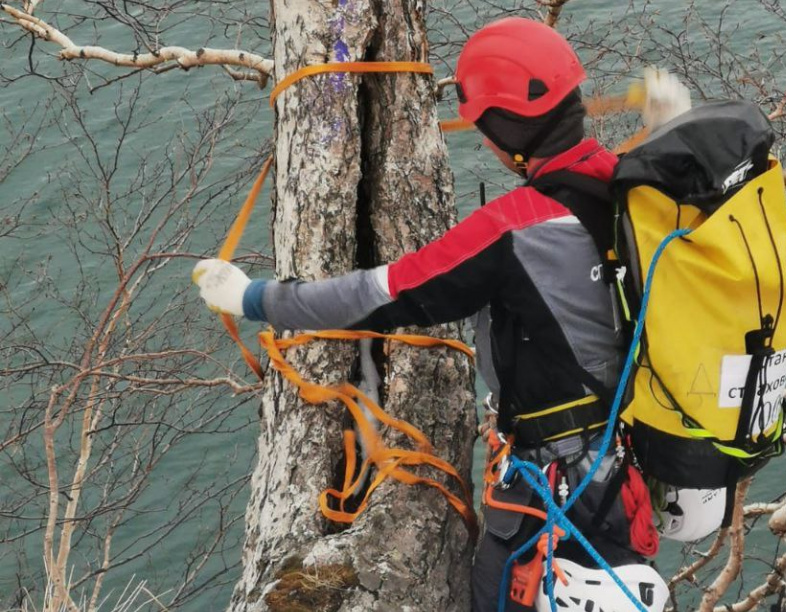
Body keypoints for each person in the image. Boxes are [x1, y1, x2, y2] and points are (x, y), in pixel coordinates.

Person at [193, 17, 690, 612]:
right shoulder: (629, 187)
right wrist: (674, 131)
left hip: (555, 490)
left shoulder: (515, 227)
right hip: (624, 465)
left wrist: (254, 298)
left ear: (505, 130)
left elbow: (384, 291)